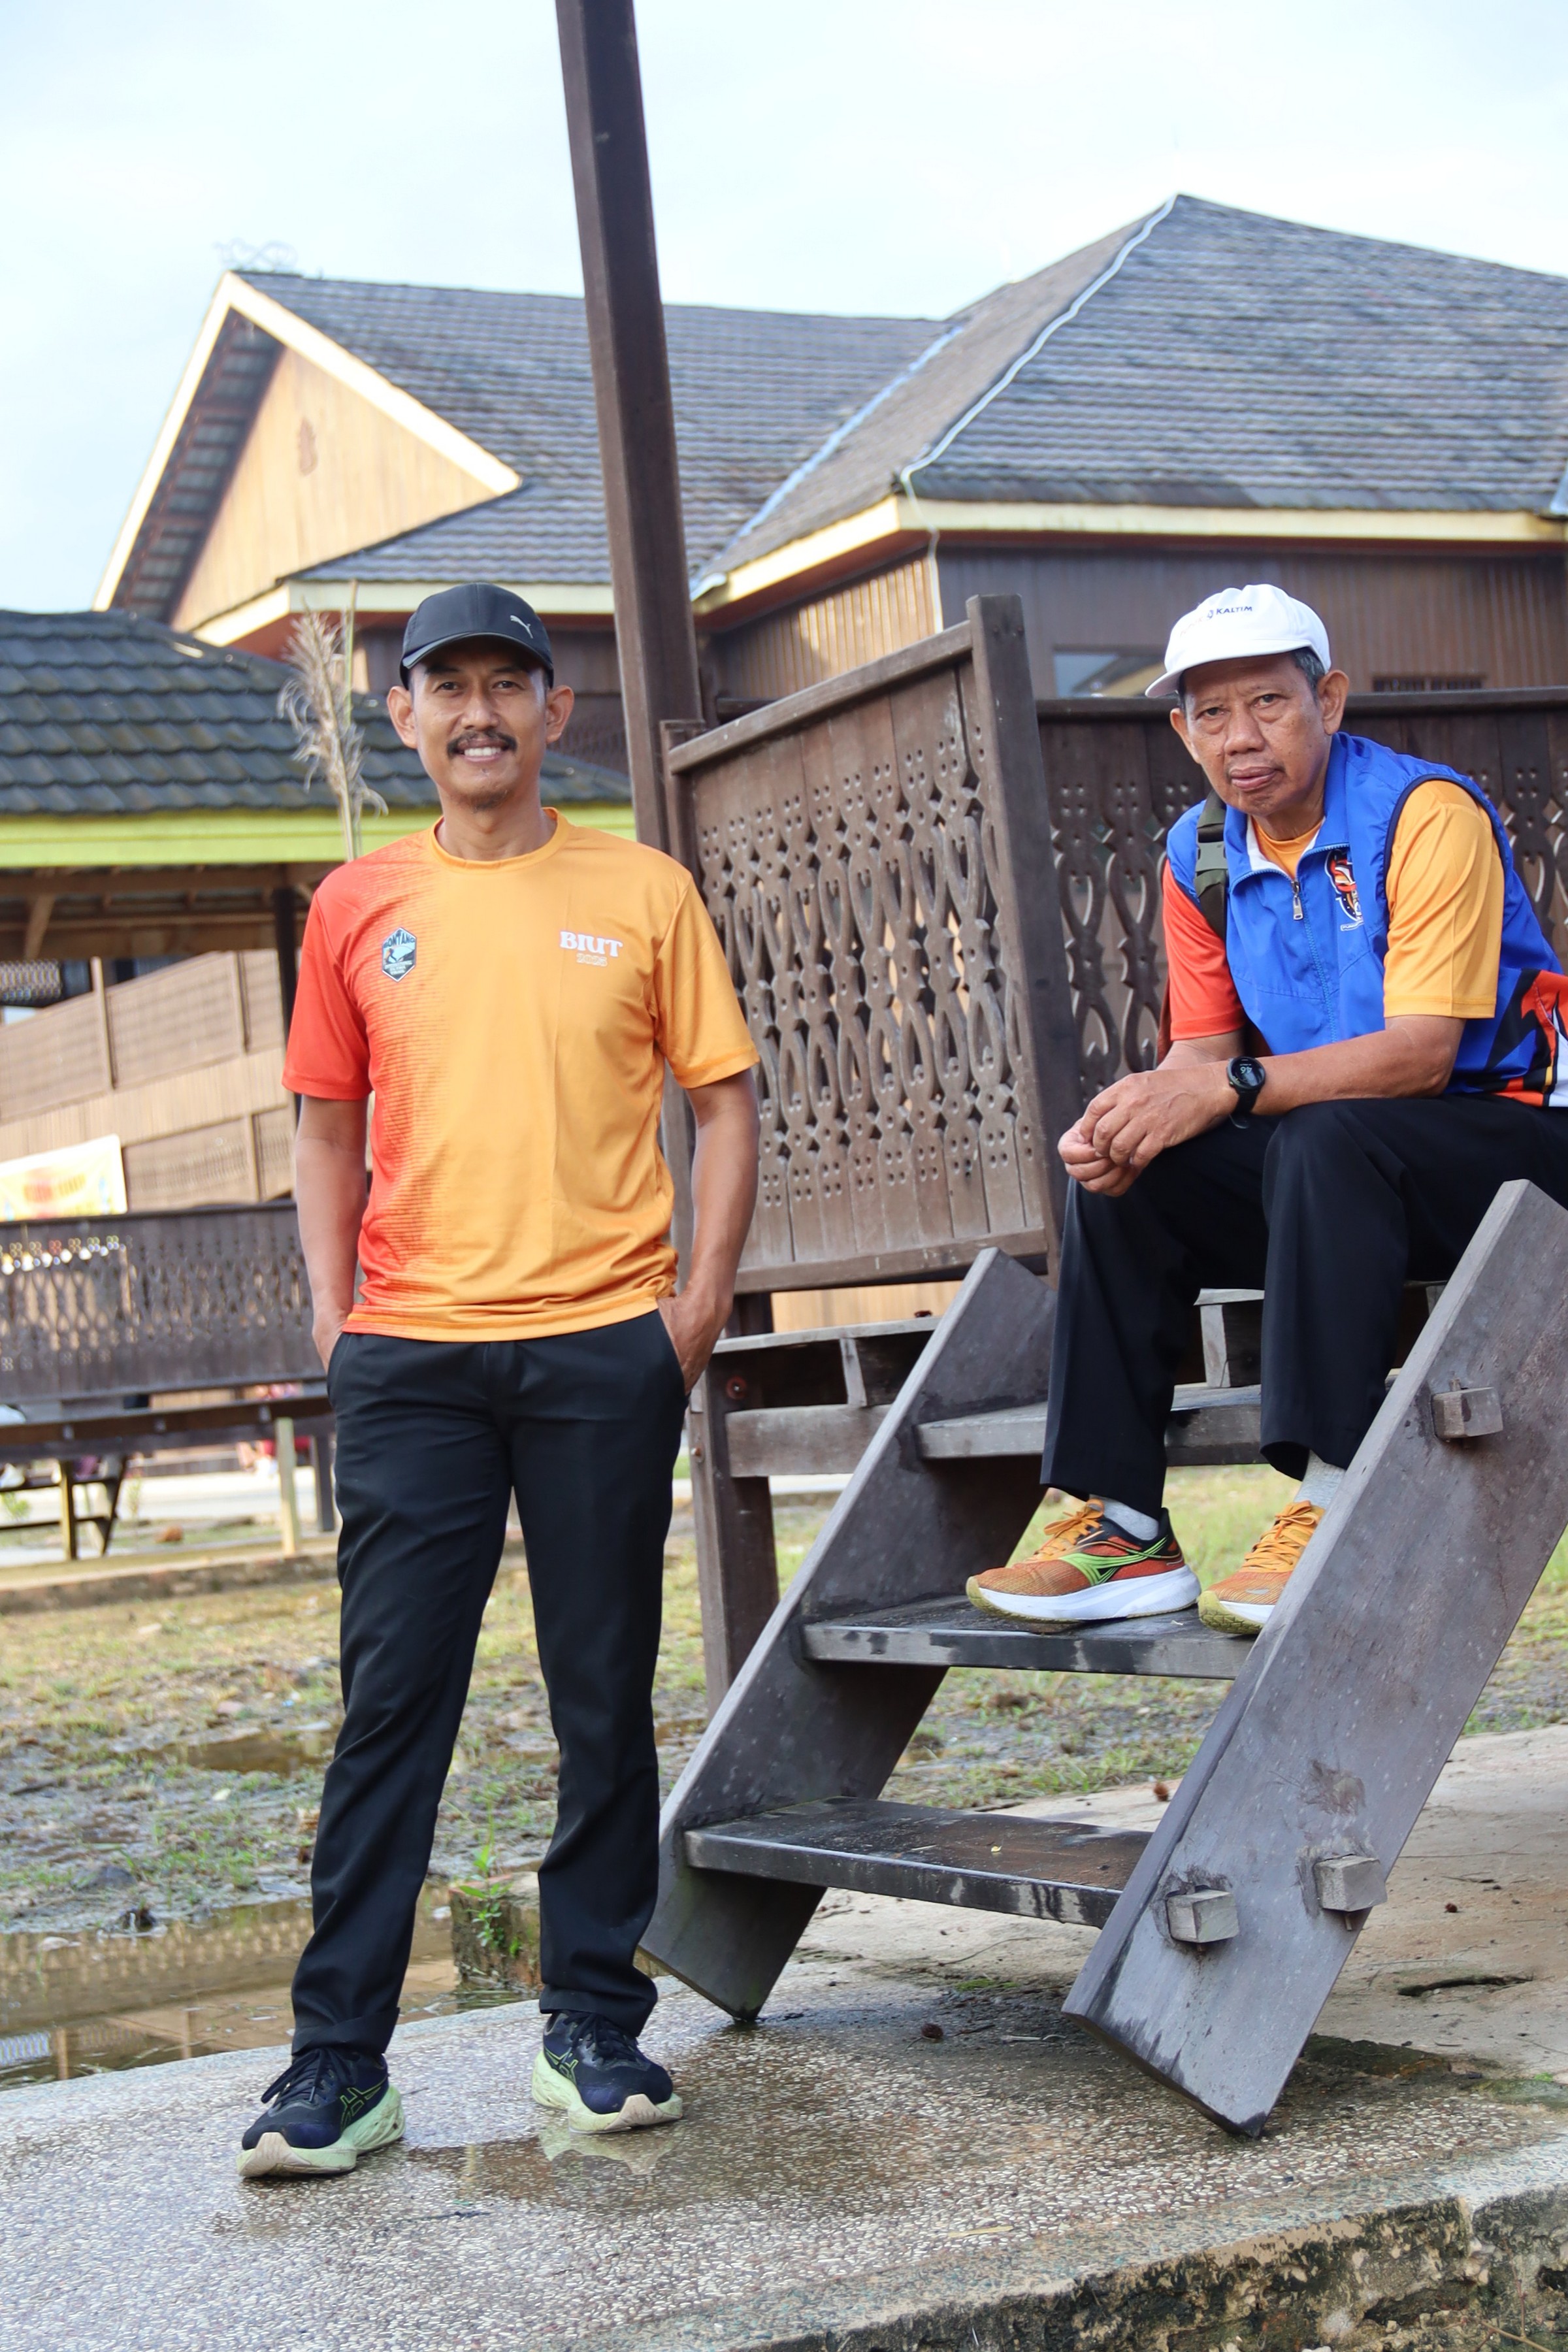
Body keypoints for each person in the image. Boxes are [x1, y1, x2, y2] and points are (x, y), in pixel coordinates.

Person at [238, 582, 759, 2178]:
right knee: (392, 1701)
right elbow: (328, 1127)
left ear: (553, 710)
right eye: (446, 687)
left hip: (606, 1344)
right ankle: (340, 2064)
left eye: (506, 685)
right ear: (403, 715)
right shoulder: (355, 906)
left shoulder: (644, 890)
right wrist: (336, 1320)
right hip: (413, 1356)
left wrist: (693, 1312)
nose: (479, 713)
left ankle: (592, 2023)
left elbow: (724, 1104)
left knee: (602, 1691)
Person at [968, 583, 1568, 1637]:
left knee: (1325, 1137)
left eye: (1269, 704)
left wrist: (1231, 1086)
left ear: (1327, 701)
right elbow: (1203, 1054)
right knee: (1130, 1170)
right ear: (1182, 732)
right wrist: (1136, 1112)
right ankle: (1122, 1527)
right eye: (1211, 713)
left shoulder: (1425, 815)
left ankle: (1332, 1497)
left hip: (1521, 1151)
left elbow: (1422, 1055)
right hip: (1351, 1174)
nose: (1240, 737)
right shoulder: (1200, 853)